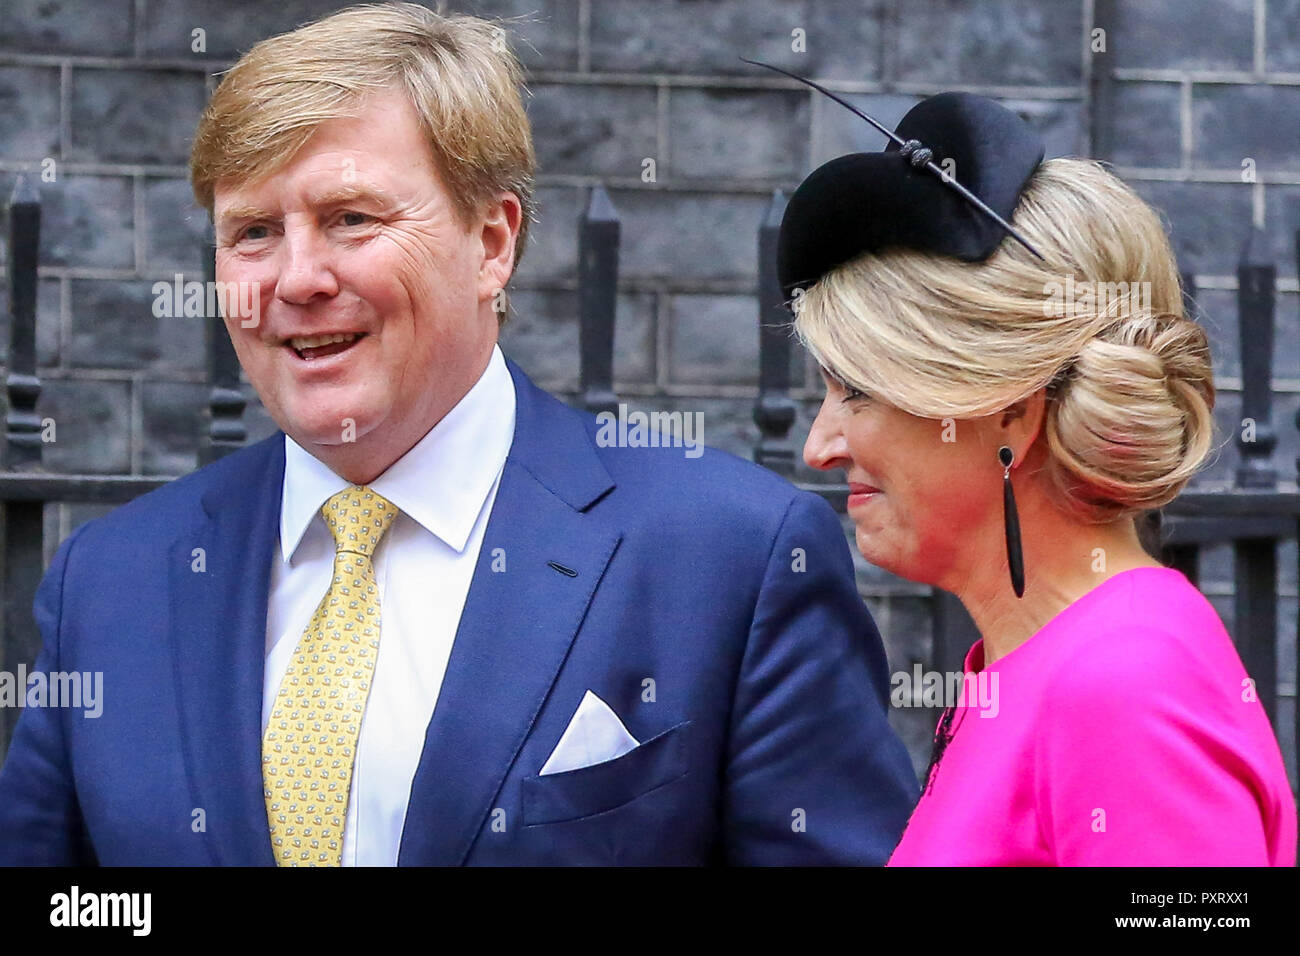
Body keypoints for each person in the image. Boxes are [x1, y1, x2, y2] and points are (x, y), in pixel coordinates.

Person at [0, 2, 918, 867]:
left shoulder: (730, 557)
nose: (298, 277)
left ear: (492, 244)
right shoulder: (110, 583)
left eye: (350, 219)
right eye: (251, 232)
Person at [775, 83, 1296, 865]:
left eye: (858, 389)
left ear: (1013, 410)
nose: (820, 446)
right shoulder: (1046, 663)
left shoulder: (1125, 686)